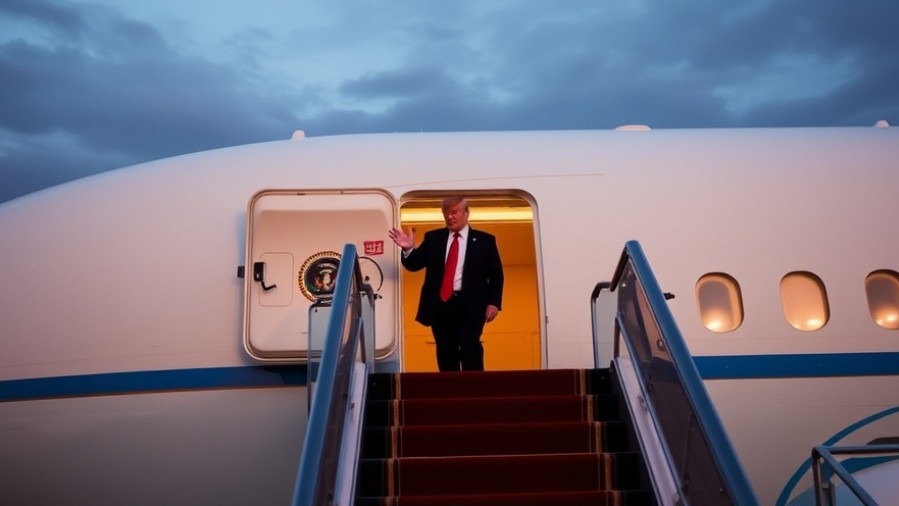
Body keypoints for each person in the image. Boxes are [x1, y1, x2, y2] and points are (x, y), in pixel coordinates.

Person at [388, 197, 504, 371]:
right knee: (445, 349)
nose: (450, 217)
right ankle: (451, 391)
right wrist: (408, 249)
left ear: (466, 214)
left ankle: (476, 389)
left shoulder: (485, 241)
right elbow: (414, 264)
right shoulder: (434, 238)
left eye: (454, 212)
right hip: (441, 304)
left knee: (469, 344)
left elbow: (496, 275)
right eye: (446, 213)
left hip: (471, 304)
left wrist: (494, 303)